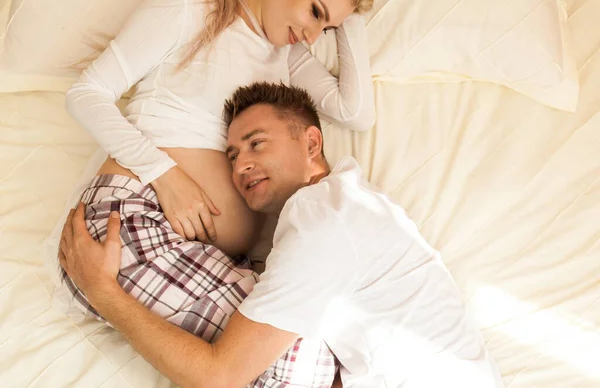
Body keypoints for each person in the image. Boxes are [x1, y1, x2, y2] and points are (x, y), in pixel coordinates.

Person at [59, 82, 505, 388]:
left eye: (256, 144)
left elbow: (221, 376)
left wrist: (103, 291)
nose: (239, 166)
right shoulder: (345, 205)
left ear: (311, 144)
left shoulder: (324, 220)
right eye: (232, 155)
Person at [58, 0, 374, 385]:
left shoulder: (289, 55)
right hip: (135, 221)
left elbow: (355, 112)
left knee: (340, 351)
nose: (312, 35)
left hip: (208, 256)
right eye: (315, 12)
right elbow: (86, 94)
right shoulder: (192, 5)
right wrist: (164, 174)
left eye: (325, 28)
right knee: (307, 367)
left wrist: (353, 14)